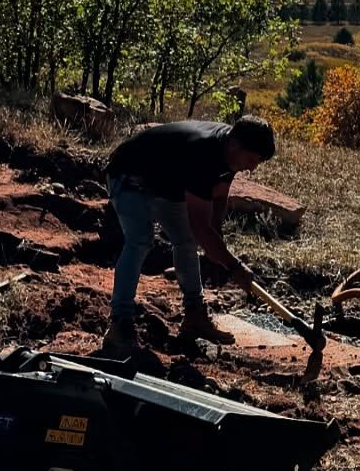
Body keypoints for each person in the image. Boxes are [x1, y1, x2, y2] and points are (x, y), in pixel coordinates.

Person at [102, 114, 275, 356]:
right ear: (236, 145)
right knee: (140, 240)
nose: (252, 167)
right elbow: (201, 228)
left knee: (186, 241)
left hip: (167, 182)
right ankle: (120, 323)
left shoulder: (230, 151)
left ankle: (195, 315)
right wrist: (233, 265)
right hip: (129, 175)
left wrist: (217, 241)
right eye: (252, 159)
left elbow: (219, 196)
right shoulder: (203, 153)